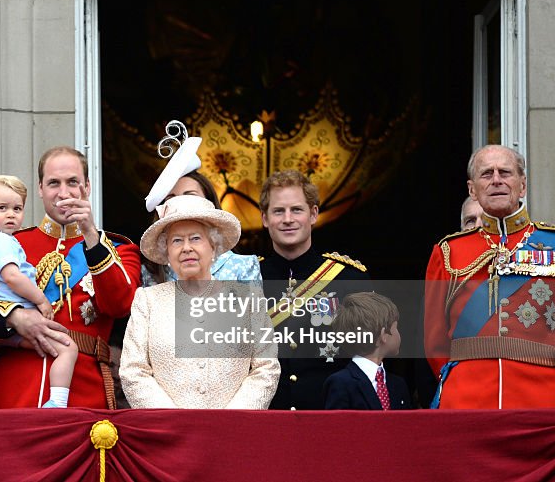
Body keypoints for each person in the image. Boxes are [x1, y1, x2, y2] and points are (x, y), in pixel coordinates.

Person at [0, 146, 141, 409]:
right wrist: (13, 317)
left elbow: (120, 304)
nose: (64, 192)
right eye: (53, 183)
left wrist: (91, 235)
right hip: (11, 394)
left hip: (82, 396)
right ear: (40, 189)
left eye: (73, 182)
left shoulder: (117, 249)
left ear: (87, 187)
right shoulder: (7, 243)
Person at [425, 144, 555, 408]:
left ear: (522, 185)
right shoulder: (447, 252)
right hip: (465, 399)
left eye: (505, 172)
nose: (497, 180)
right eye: (486, 174)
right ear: (472, 189)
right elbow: (434, 342)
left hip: (541, 398)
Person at [121, 195, 279, 408]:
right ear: (166, 251)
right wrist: (174, 421)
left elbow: (266, 367)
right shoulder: (148, 301)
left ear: (213, 247)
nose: (186, 248)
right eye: (177, 240)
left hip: (233, 432)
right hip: (169, 433)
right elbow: (133, 370)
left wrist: (232, 419)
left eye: (195, 238)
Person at [259, 170, 370, 410]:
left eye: (296, 210)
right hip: (265, 419)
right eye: (278, 211)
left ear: (314, 214)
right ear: (265, 219)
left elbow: (369, 360)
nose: (288, 219)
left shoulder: (349, 279)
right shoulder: (248, 279)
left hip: (331, 415)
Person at [0, 175, 77, 408]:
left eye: (17, 208)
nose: (11, 214)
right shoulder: (5, 242)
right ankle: (57, 402)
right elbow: (12, 276)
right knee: (68, 348)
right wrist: (41, 300)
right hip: (16, 314)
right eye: (3, 208)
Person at [142, 170, 261, 286]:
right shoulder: (149, 272)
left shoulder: (243, 266)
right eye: (171, 198)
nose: (180, 203)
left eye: (190, 195)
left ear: (209, 201)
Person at [323, 292, 412, 410]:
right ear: (383, 335)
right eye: (395, 328)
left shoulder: (398, 384)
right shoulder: (341, 383)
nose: (399, 335)